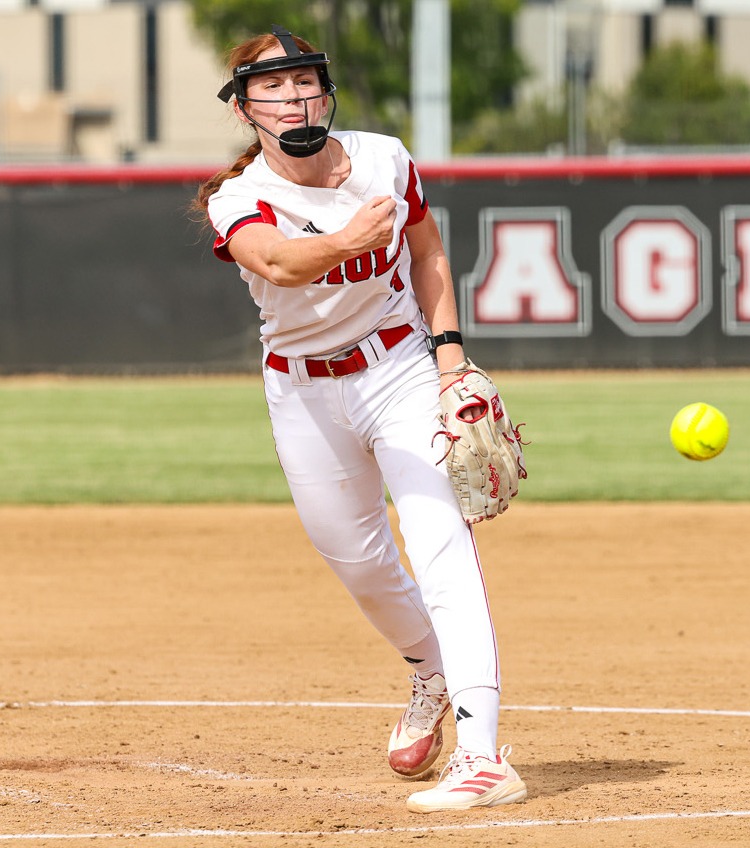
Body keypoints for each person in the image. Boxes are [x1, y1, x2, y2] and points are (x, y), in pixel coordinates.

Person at [190, 26, 527, 813]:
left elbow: (427, 250)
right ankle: (429, 669)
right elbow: (277, 262)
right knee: (356, 558)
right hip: (302, 389)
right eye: (271, 87)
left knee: (439, 535)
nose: (295, 95)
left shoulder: (383, 158)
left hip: (399, 364)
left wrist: (452, 361)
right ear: (245, 110)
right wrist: (348, 240)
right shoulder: (237, 198)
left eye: (304, 79)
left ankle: (481, 755)